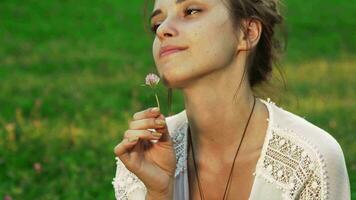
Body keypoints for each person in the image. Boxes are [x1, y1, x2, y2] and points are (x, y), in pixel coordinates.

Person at [112, 0, 351, 199]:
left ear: (246, 33)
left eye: (191, 11)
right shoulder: (141, 160)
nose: (163, 29)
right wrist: (159, 193)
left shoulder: (308, 160)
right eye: (157, 23)